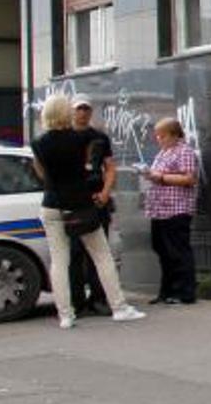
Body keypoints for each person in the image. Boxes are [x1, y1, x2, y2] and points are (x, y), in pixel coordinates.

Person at [31, 93, 145, 329]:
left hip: (51, 204)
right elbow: (88, 168)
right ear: (67, 113)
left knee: (59, 261)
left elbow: (40, 171)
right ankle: (119, 307)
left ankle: (65, 315)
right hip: (80, 203)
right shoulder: (81, 139)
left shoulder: (38, 143)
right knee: (102, 256)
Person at [143, 117, 199, 305]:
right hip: (159, 210)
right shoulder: (163, 153)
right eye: (157, 136)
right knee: (162, 249)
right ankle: (166, 291)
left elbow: (189, 179)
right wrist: (149, 174)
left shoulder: (184, 151)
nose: (158, 139)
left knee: (178, 251)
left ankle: (184, 292)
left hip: (177, 209)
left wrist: (160, 177)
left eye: (162, 136)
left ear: (174, 135)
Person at [68, 95, 116, 317]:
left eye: (86, 109)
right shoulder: (64, 137)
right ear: (72, 111)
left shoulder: (100, 138)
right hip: (73, 201)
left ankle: (98, 298)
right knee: (74, 252)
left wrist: (105, 193)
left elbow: (110, 167)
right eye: (79, 109)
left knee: (98, 251)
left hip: (96, 199)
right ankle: (76, 301)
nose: (83, 113)